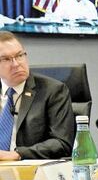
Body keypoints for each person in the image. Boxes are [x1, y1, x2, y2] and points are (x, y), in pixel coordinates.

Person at [0, 31, 75, 160]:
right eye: (6, 59)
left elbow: (61, 143)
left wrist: (18, 154)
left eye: (19, 56)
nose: (16, 64)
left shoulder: (53, 91)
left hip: (31, 170)